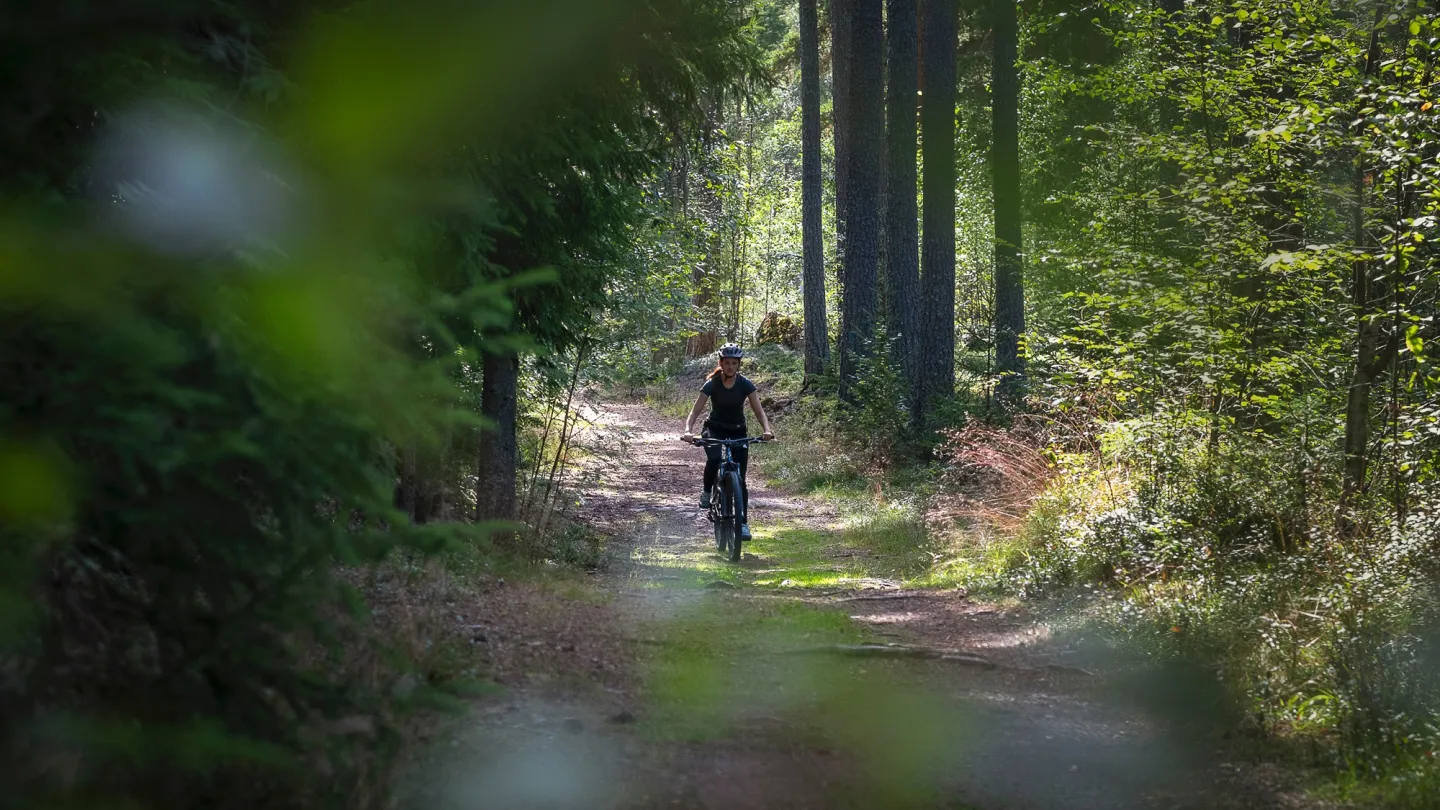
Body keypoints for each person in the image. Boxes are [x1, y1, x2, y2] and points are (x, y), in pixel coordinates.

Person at [681, 343, 775, 540]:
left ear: (739, 365)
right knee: (714, 459)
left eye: (734, 363)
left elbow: (759, 411)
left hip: (737, 431)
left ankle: (742, 524)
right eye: (727, 363)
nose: (730, 366)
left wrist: (766, 429)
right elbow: (695, 411)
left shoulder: (745, 384)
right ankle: (707, 492)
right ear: (720, 363)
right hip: (714, 429)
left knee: (740, 480)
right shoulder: (712, 384)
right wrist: (688, 431)